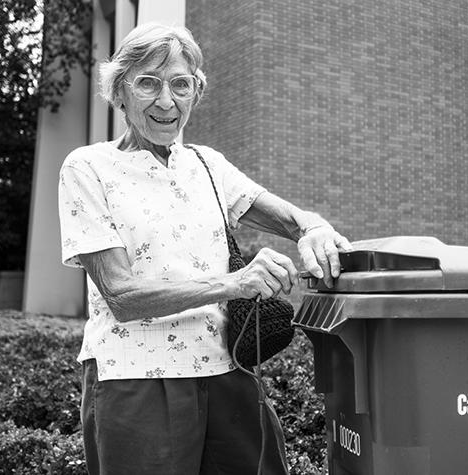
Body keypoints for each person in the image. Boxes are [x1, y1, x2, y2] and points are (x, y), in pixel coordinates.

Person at [58, 22, 352, 475]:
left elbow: (289, 218)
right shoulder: (89, 167)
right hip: (136, 379)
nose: (166, 100)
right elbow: (121, 294)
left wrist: (313, 228)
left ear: (196, 92)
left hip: (227, 370)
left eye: (181, 84)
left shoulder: (206, 164)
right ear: (119, 91)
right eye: (148, 83)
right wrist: (235, 283)